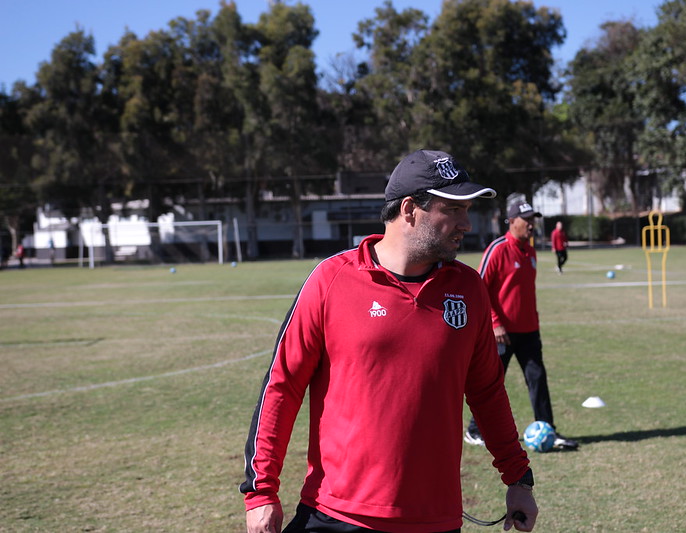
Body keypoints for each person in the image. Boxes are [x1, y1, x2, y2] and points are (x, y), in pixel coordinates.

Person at [241, 150, 539, 533]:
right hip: (335, 517)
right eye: (454, 209)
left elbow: (487, 392)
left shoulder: (469, 289)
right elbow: (282, 387)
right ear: (410, 209)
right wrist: (261, 492)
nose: (467, 223)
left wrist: (518, 479)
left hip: (433, 522)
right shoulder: (331, 280)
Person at [464, 196, 577, 451]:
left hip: (529, 331)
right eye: (526, 220)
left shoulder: (531, 250)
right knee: (491, 383)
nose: (530, 225)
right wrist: (494, 323)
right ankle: (473, 430)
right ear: (512, 221)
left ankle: (548, 429)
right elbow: (479, 289)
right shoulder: (498, 249)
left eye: (532, 221)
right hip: (501, 333)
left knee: (538, 379)